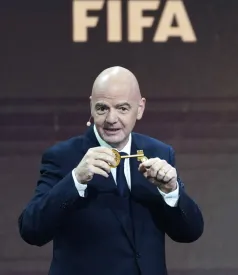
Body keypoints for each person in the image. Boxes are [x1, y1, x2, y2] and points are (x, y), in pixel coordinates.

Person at [18, 66, 204, 275]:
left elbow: (190, 232)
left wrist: (171, 192)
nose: (111, 119)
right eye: (102, 108)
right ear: (91, 107)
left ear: (140, 108)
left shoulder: (159, 153)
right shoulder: (63, 157)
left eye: (122, 108)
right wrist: (75, 180)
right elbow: (31, 230)